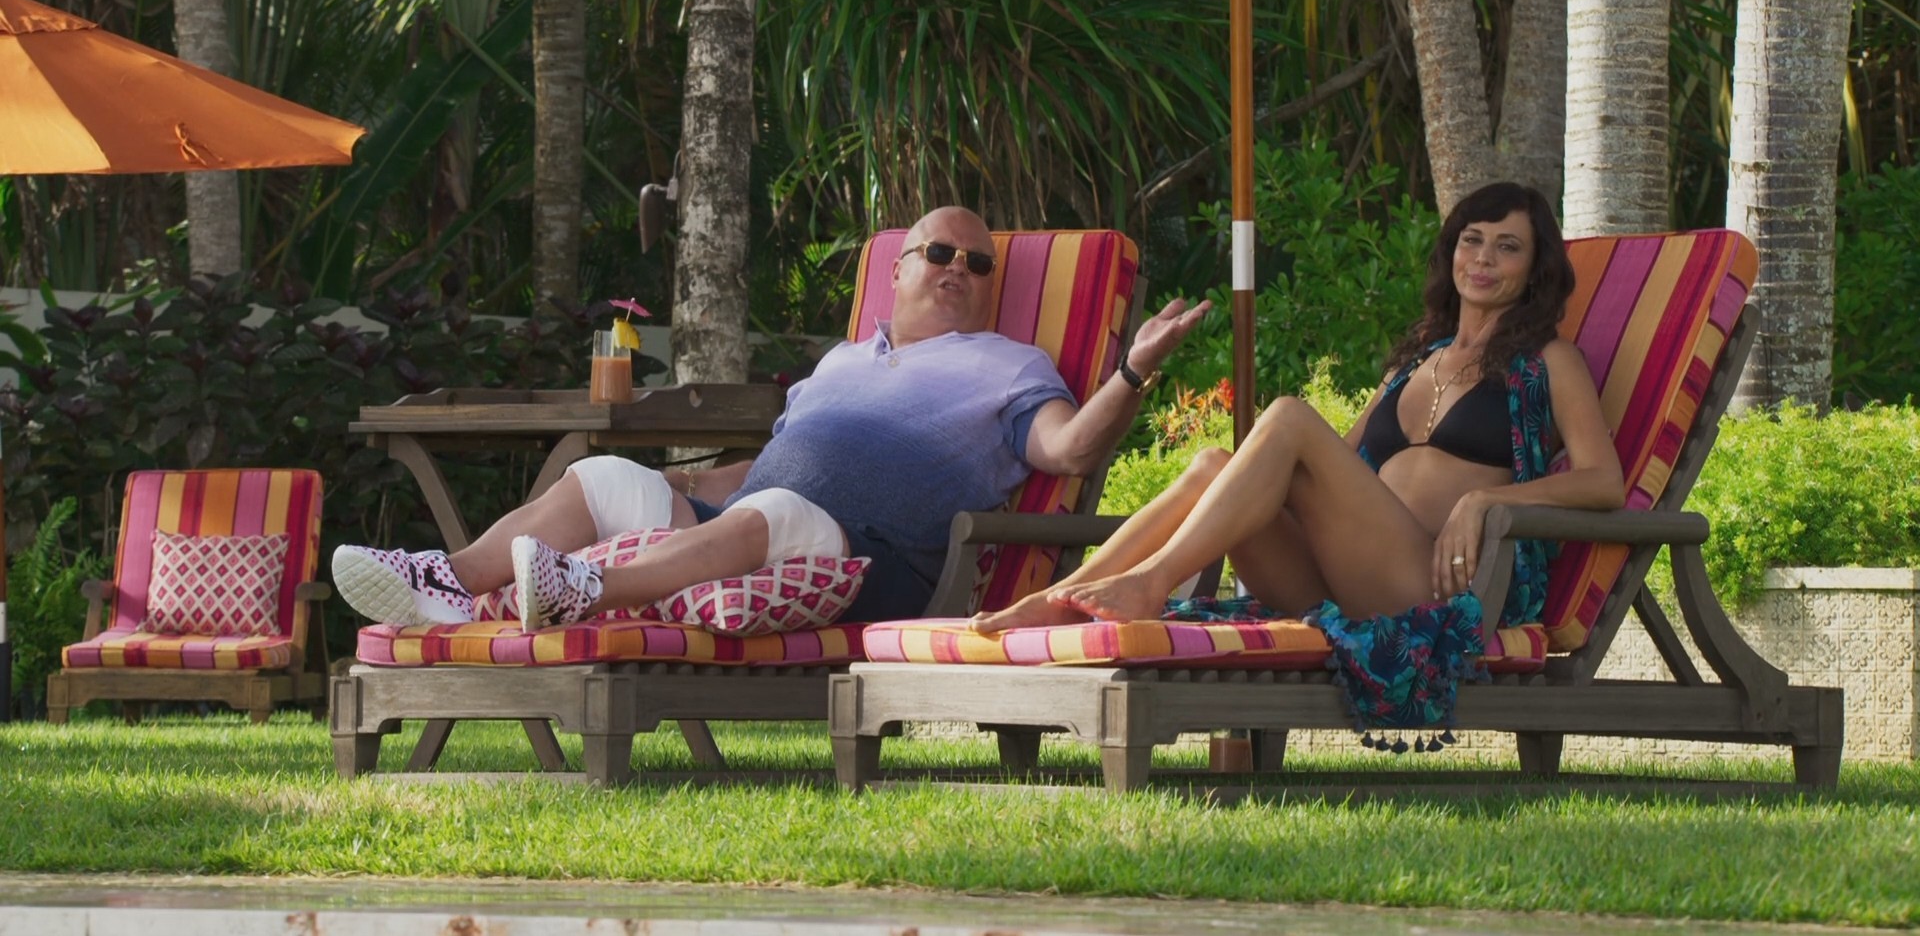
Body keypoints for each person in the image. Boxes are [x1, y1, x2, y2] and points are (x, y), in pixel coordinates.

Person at [334, 206, 1210, 632]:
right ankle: (445, 581)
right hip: (752, 523)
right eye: (939, 252)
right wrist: (672, 482)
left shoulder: (1010, 364)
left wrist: (1133, 369)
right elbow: (756, 475)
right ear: (896, 271)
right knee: (600, 476)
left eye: (978, 264)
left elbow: (1070, 449)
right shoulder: (840, 363)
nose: (959, 268)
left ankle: (585, 590)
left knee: (777, 511)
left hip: (875, 561)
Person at [973, 181, 1626, 636]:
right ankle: (1057, 600)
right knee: (1212, 464)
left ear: (1535, 267)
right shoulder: (1414, 363)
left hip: (1434, 592)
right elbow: (1332, 469)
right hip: (1339, 580)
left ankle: (1151, 581)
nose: (1483, 258)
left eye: (1507, 246)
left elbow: (1603, 481)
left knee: (1287, 416)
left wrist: (1485, 501)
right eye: (1471, 240)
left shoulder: (1547, 360)